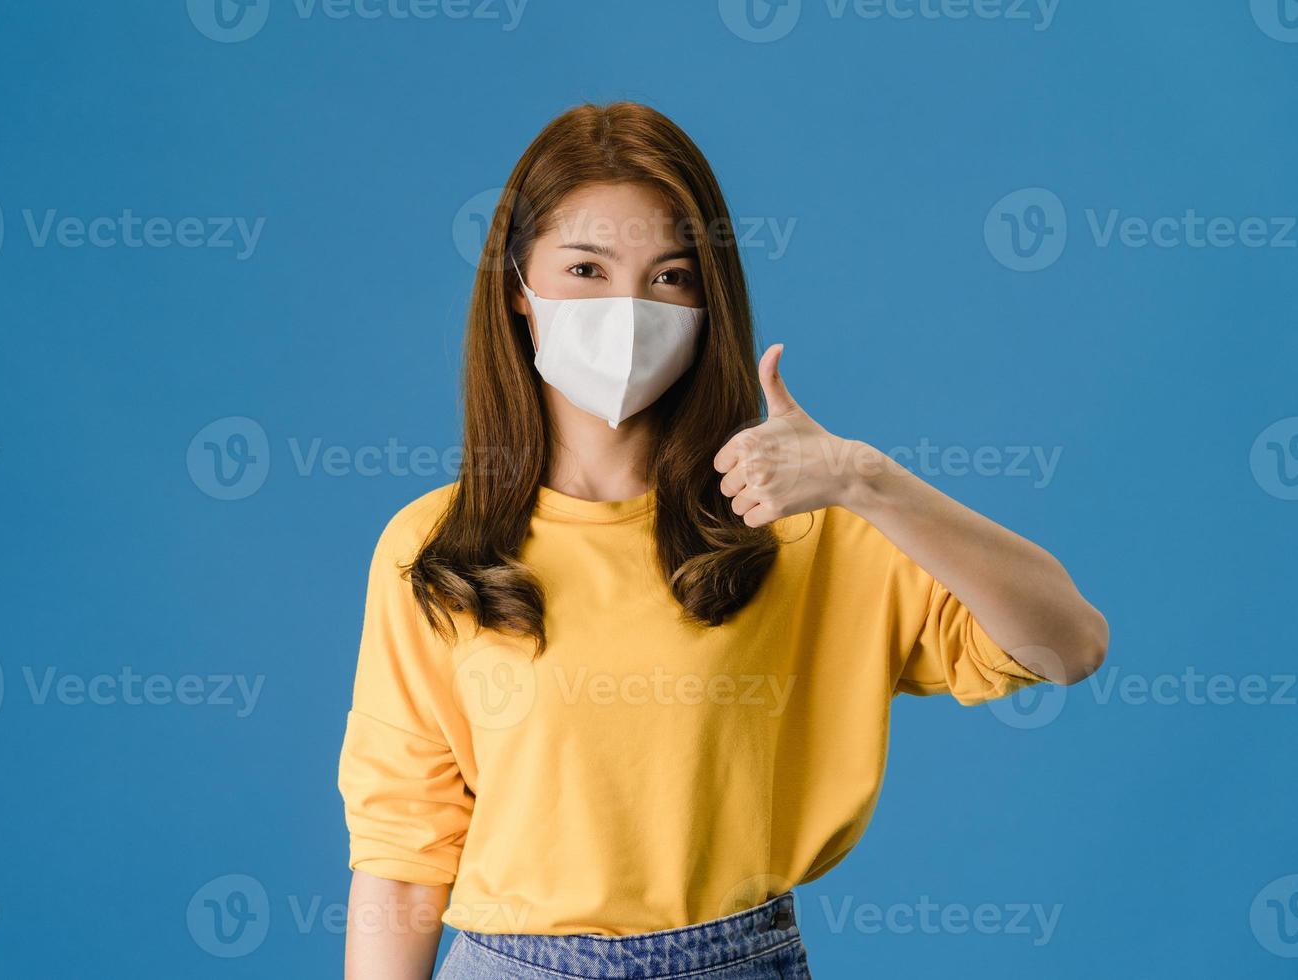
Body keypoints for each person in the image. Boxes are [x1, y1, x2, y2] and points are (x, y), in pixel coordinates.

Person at [338, 100, 1108, 979]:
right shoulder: (436, 546)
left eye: (668, 276)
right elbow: (401, 849)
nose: (625, 312)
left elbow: (1069, 644)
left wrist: (866, 480)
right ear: (518, 288)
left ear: (708, 301)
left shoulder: (793, 523)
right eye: (586, 269)